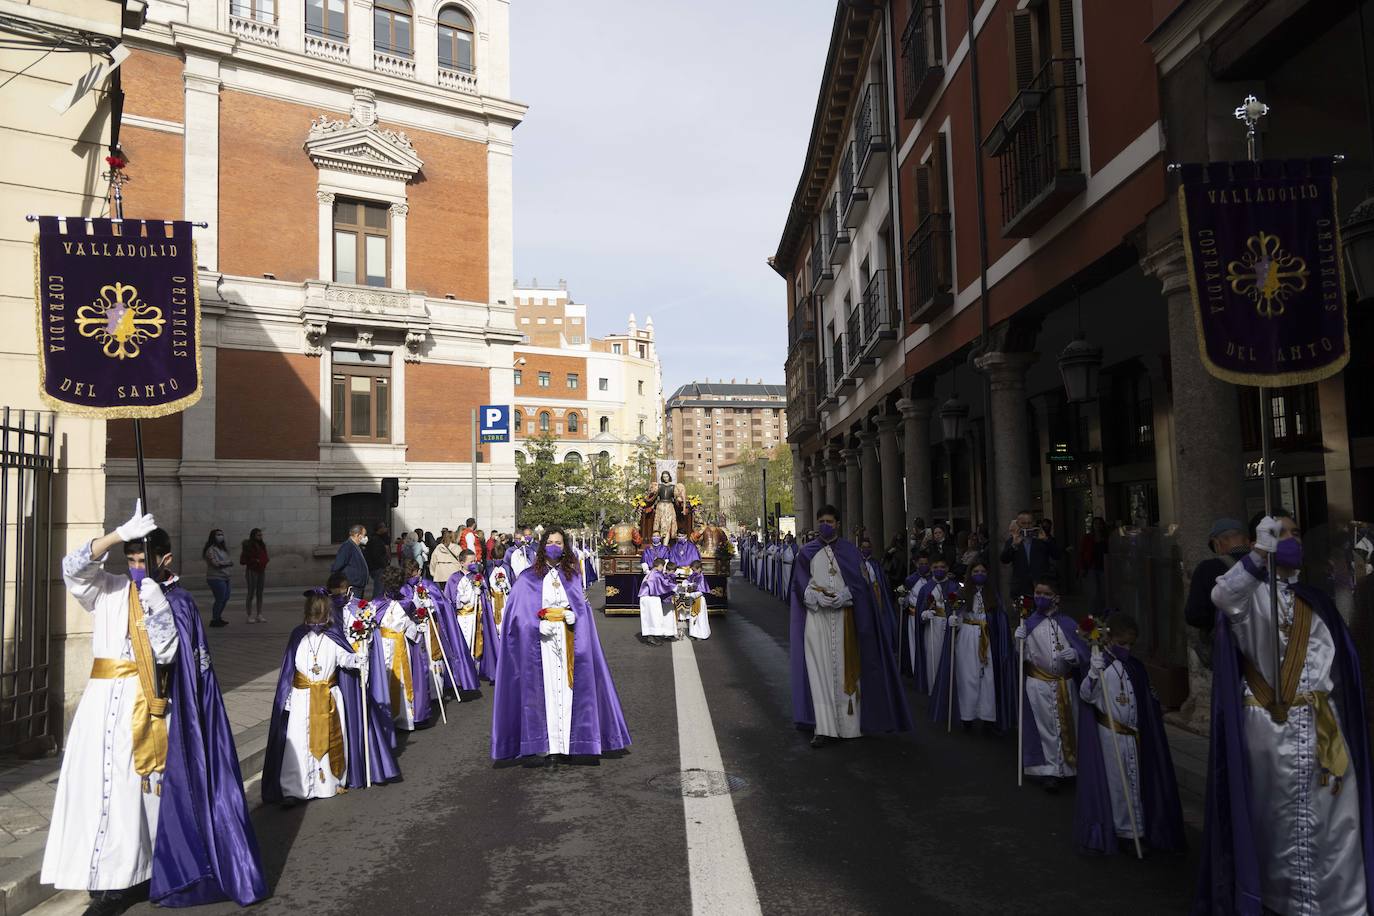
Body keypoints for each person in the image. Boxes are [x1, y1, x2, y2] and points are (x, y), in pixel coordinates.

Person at [44, 506, 268, 913]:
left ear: (164, 560)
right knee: (97, 791)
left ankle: (128, 878)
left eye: (141, 560)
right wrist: (115, 535)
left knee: (133, 799)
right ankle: (101, 877)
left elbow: (168, 653)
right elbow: (72, 568)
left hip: (143, 705)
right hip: (100, 704)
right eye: (129, 559)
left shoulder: (175, 600)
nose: (134, 567)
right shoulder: (108, 589)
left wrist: (156, 608)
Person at [1196, 514, 1374, 914]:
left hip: (1324, 726)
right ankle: (1281, 902)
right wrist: (1259, 553)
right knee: (1274, 825)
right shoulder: (1249, 597)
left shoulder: (1316, 599)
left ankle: (1345, 905)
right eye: (1281, 533)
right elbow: (1222, 596)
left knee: (1338, 821)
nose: (1290, 540)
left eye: (1295, 533)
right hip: (1270, 725)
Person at [490, 528, 632, 762]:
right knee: (544, 693)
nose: (554, 546)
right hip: (541, 645)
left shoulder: (573, 576)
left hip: (568, 640)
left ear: (564, 547)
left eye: (558, 542)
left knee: (567, 693)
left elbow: (581, 607)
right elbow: (516, 616)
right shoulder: (527, 578)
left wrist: (575, 615)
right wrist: (536, 626)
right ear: (543, 545)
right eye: (550, 542)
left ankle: (569, 745)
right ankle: (548, 746)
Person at [789, 505, 910, 748]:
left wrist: (847, 594)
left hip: (845, 619)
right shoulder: (806, 553)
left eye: (830, 521)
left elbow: (862, 585)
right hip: (818, 619)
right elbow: (799, 585)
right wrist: (815, 596)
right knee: (819, 671)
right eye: (821, 520)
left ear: (838, 524)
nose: (825, 525)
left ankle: (849, 726)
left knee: (847, 669)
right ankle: (823, 728)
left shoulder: (851, 552)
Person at [1074, 612, 1185, 856]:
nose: (1126, 648)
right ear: (1108, 639)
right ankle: (1124, 830)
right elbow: (1086, 696)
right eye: (1121, 643)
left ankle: (1140, 827)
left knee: (1135, 780)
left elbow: (1147, 699)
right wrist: (1093, 673)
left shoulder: (1135, 667)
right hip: (1110, 733)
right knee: (1118, 782)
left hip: (1133, 735)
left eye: (1130, 644)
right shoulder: (1101, 664)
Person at [261, 589, 367, 805]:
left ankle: (325, 783)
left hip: (323, 695)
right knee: (300, 741)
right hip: (304, 696)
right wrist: (288, 699)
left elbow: (344, 658)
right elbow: (290, 670)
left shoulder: (332, 635)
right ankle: (296, 788)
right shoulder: (298, 635)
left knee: (320, 738)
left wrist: (359, 656)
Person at [1014, 576, 1086, 792]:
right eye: (1037, 594)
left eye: (1046, 594)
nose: (1041, 598)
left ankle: (1070, 768)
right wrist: (1018, 642)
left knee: (1069, 725)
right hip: (1039, 683)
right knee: (1045, 727)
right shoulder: (1028, 623)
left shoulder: (1069, 623)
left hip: (1065, 683)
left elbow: (1084, 651)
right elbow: (1022, 657)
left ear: (1056, 597)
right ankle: (1050, 771)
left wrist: (1075, 655)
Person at [930, 560, 1013, 733]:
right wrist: (955, 621)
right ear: (970, 573)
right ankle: (967, 716)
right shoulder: (962, 592)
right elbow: (956, 611)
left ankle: (988, 717)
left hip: (987, 638)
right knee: (967, 677)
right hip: (967, 636)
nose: (979, 574)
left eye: (982, 571)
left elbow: (1000, 618)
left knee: (988, 677)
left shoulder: (993, 594)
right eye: (975, 571)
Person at [1182, 518, 1249, 666]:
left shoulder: (1207, 569)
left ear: (1217, 543)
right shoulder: (1267, 564)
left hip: (1227, 650)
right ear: (1246, 540)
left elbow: (1194, 615)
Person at [372, 566, 427, 731]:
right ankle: (396, 717)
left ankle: (401, 717)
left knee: (396, 678)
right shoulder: (377, 604)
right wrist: (417, 631)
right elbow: (410, 626)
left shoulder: (403, 603)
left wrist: (418, 629)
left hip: (392, 646)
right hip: (388, 645)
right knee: (394, 678)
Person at [439, 552, 495, 684]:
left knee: (475, 642)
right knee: (461, 643)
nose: (473, 564)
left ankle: (475, 670)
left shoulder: (477, 577)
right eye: (470, 561)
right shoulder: (453, 578)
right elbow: (448, 600)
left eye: (475, 561)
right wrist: (459, 599)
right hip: (460, 617)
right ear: (462, 562)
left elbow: (486, 595)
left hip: (474, 616)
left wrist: (480, 591)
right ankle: (461, 672)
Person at [915, 557, 957, 696]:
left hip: (950, 626)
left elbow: (960, 607)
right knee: (933, 656)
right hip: (932, 627)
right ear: (932, 569)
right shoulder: (926, 588)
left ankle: (948, 691)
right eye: (936, 567)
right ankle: (934, 690)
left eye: (942, 567)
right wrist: (924, 615)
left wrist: (956, 618)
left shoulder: (953, 586)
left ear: (947, 569)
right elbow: (920, 610)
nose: (939, 570)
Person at [1000, 510, 1060, 600]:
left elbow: (1057, 555)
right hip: (1020, 587)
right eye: (1023, 523)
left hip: (1041, 587)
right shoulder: (1012, 540)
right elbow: (1004, 559)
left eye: (1029, 523)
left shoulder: (1042, 539)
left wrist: (1046, 540)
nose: (1027, 526)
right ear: (1017, 524)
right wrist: (1014, 546)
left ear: (1034, 523)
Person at [898, 551, 932, 679]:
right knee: (914, 643)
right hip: (913, 617)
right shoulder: (910, 580)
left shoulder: (932, 580)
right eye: (921, 563)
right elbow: (908, 597)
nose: (923, 565)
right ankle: (915, 670)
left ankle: (928, 670)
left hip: (927, 618)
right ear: (916, 564)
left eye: (926, 563)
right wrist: (903, 601)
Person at [858, 535, 898, 642]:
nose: (866, 549)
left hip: (876, 594)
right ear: (860, 548)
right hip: (863, 594)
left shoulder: (875, 564)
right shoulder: (858, 563)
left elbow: (882, 581)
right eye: (864, 547)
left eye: (868, 547)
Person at [638, 556, 675, 645]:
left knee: (649, 618)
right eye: (662, 567)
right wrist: (676, 587)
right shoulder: (656, 574)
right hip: (651, 597)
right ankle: (652, 638)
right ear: (660, 566)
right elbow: (664, 584)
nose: (663, 569)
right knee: (654, 617)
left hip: (645, 597)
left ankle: (652, 636)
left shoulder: (650, 573)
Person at [1078, 517, 1110, 612]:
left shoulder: (1107, 538)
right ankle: (1092, 614)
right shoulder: (1088, 538)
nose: (1097, 526)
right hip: (1091, 567)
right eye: (1095, 523)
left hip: (1104, 567)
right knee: (1094, 593)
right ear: (1093, 525)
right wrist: (1082, 567)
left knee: (1104, 592)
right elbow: (1082, 553)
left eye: (1100, 523)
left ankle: (1103, 613)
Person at [202, 528, 233, 628]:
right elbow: (215, 563)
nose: (220, 536)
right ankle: (214, 619)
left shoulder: (223, 549)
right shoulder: (211, 549)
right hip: (215, 577)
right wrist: (227, 563)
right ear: (213, 537)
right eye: (218, 534)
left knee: (225, 598)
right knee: (219, 599)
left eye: (221, 534)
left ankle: (218, 617)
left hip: (225, 576)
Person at [331, 524, 370, 598]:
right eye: (364, 535)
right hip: (353, 586)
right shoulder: (347, 546)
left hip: (358, 586)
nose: (366, 537)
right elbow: (337, 566)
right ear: (357, 535)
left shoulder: (356, 547)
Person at [239, 528, 269, 624]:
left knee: (260, 593)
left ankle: (259, 614)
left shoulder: (262, 545)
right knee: (251, 592)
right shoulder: (248, 546)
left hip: (261, 570)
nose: (260, 537)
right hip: (252, 571)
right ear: (253, 536)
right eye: (258, 535)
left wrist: (263, 561)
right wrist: (255, 561)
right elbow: (243, 560)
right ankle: (249, 615)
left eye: (261, 535)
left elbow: (265, 556)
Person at [648, 471, 684, 541]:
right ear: (662, 477)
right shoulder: (659, 486)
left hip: (669, 507)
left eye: (667, 476)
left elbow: (676, 499)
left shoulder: (673, 487)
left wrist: (679, 500)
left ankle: (666, 544)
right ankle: (659, 543)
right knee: (660, 524)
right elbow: (654, 497)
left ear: (669, 477)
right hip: (660, 506)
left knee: (668, 525)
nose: (665, 478)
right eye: (664, 477)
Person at [681, 559, 711, 640]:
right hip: (693, 599)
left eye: (694, 570)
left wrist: (689, 594)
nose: (693, 571)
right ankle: (694, 633)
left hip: (699, 599)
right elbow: (686, 581)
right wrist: (686, 584)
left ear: (699, 568)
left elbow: (700, 592)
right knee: (693, 617)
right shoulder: (694, 575)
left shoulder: (701, 578)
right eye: (692, 570)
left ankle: (701, 634)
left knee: (700, 617)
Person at [363, 520, 391, 600]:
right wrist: (384, 565)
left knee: (382, 588)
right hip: (378, 568)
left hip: (379, 567)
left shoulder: (381, 539)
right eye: (384, 527)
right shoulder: (375, 540)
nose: (386, 529)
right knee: (379, 588)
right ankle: (376, 604)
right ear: (380, 529)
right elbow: (376, 555)